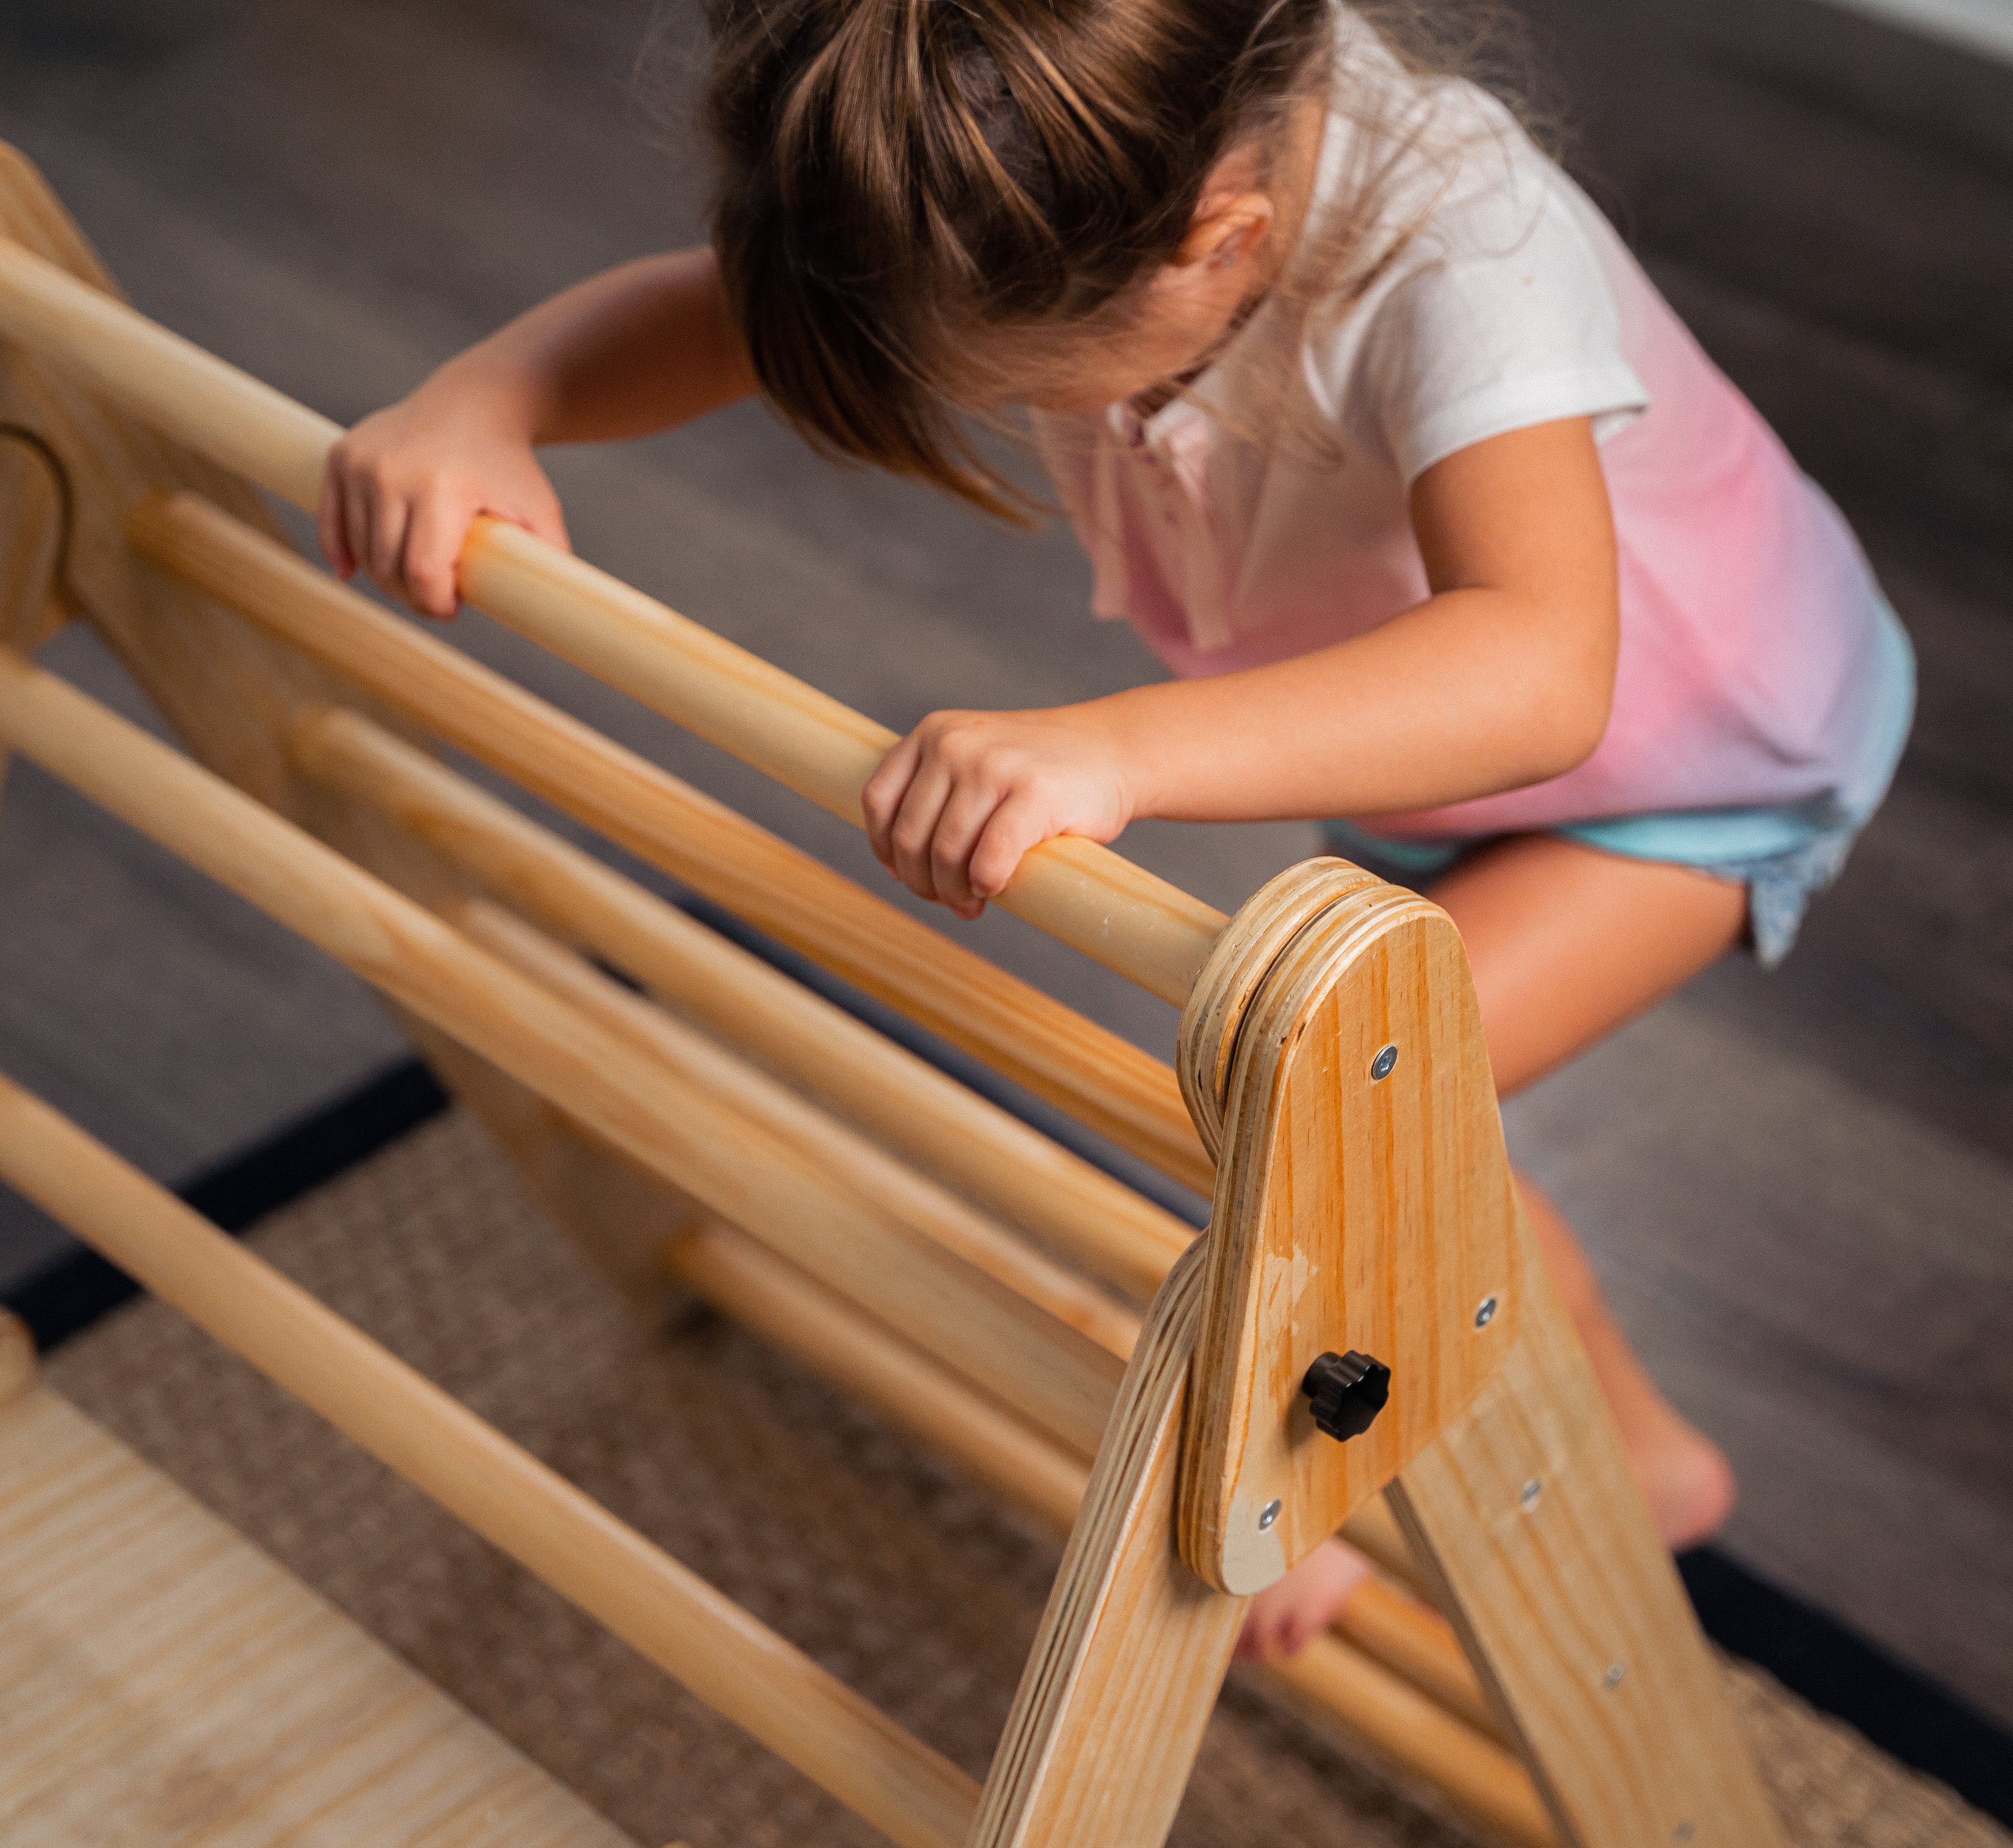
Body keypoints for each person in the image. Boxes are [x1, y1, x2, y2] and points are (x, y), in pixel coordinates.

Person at [317, 0, 1913, 1663]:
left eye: (1013, 388)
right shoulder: (1079, 157)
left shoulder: (1461, 255)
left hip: (1695, 760)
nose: (992, 413)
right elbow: (739, 317)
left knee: (1325, 1114)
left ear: (1215, 246)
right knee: (1382, 1129)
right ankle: (1646, 1453)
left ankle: (1341, 1457)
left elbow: (1537, 664)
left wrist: (1120, 749)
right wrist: (489, 394)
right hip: (1429, 766)